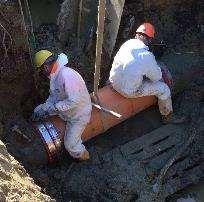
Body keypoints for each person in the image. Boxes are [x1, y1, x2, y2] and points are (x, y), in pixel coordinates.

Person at [33, 50, 92, 161]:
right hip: (66, 111)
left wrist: (55, 107)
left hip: (79, 115)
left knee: (71, 145)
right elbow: (55, 96)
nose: (42, 72)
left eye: (41, 70)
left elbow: (74, 101)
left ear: (45, 67)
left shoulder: (67, 75)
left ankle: (85, 158)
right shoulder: (55, 76)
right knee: (40, 110)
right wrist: (44, 107)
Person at [109, 23, 173, 123]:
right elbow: (156, 77)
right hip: (127, 91)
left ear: (136, 35)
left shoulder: (127, 44)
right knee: (164, 89)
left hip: (113, 81)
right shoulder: (146, 56)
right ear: (150, 40)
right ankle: (167, 116)